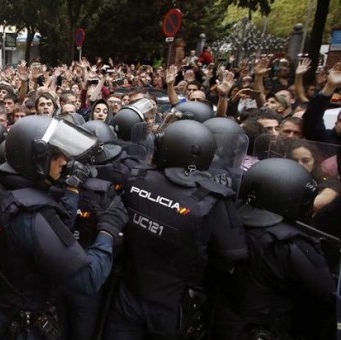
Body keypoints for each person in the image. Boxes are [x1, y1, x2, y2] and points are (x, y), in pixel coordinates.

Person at [0, 116, 127, 339]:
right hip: (25, 322)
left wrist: (71, 191)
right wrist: (107, 230)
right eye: (58, 156)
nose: (65, 162)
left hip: (0, 303)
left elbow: (45, 235)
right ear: (37, 160)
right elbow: (88, 278)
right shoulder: (33, 214)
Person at [104, 120, 248, 340]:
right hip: (173, 306)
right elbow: (230, 257)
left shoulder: (136, 178)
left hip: (130, 293)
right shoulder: (212, 200)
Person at [211, 158, 335, 339]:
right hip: (257, 329)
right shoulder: (288, 244)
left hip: (219, 317)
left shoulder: (228, 216)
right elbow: (326, 292)